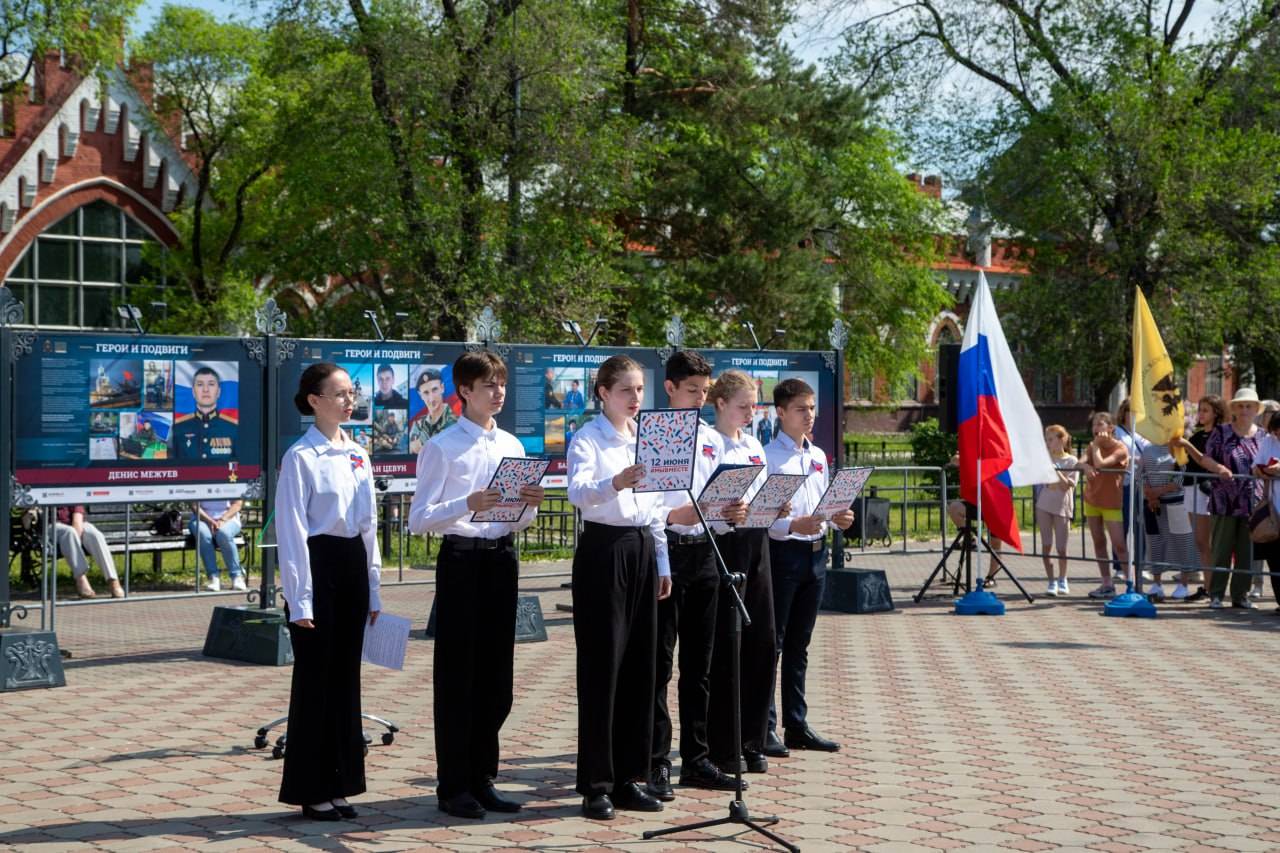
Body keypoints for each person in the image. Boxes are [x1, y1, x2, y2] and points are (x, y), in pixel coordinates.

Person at [408, 350, 545, 819]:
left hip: (502, 558)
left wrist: (530, 505)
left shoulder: (513, 444)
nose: (499, 392)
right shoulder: (443, 447)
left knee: (497, 679)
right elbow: (417, 520)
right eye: (488, 384)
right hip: (461, 562)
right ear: (464, 392)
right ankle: (454, 786)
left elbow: (519, 520)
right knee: (458, 677)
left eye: (502, 383)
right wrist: (466, 502)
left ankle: (484, 778)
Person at [567, 354, 673, 821]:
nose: (635, 398)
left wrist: (662, 561)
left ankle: (632, 776)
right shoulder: (588, 439)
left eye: (639, 390)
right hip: (604, 551)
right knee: (603, 667)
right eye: (626, 390)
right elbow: (578, 492)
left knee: (640, 667)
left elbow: (655, 506)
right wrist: (616, 481)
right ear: (603, 393)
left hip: (642, 547)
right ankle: (596, 784)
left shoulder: (645, 438)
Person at [275, 362, 382, 821]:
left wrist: (374, 588)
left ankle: (340, 784)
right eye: (337, 393)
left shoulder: (358, 453)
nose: (347, 400)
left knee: (345, 681)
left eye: (350, 392)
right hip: (317, 568)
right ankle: (310, 787)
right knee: (315, 681)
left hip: (352, 566)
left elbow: (369, 525)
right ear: (314, 401)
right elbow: (293, 530)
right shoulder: (300, 457)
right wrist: (300, 598)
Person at [647, 352, 741, 802]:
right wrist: (675, 514)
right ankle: (656, 762)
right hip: (664, 553)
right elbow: (646, 504)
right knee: (659, 666)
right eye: (692, 391)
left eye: (705, 393)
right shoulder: (655, 432)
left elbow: (714, 504)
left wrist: (730, 512)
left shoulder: (712, 439)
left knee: (699, 667)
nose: (701, 400)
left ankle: (698, 758)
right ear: (669, 388)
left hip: (705, 554)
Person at [764, 378, 854, 753]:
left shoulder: (816, 456)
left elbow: (823, 507)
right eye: (801, 409)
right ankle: (764, 726)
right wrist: (789, 525)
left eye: (812, 408)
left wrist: (839, 518)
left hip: (815, 557)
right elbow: (759, 515)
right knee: (774, 644)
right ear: (781, 412)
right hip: (782, 555)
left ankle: (796, 724)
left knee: (800, 645)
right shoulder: (767, 456)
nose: (809, 415)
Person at [705, 369, 782, 773]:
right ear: (720, 403)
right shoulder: (707, 442)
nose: (751, 412)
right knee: (726, 646)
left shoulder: (754, 444)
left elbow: (761, 490)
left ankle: (754, 739)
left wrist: (775, 505)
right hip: (723, 545)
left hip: (757, 543)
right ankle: (722, 745)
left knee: (763, 641)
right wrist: (725, 511)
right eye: (743, 405)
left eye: (754, 405)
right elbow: (702, 499)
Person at [1181, 387, 1262, 609]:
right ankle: (1216, 593)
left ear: (1256, 409)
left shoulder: (1262, 435)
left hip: (1252, 502)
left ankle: (1240, 595)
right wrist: (1219, 468)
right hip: (1224, 499)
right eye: (1240, 406)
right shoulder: (1222, 432)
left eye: (1249, 406)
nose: (1244, 410)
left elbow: (1269, 461)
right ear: (1233, 409)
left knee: (1247, 552)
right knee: (1221, 549)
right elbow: (1205, 459)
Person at [1179, 395, 1227, 600]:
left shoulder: (1221, 435)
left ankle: (1211, 587)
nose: (1201, 413)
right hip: (1191, 488)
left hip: (1207, 490)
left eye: (1206, 410)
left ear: (1216, 412)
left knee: (1206, 542)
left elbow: (1207, 461)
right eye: (1200, 409)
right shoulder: (1197, 436)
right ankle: (1207, 585)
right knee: (1199, 542)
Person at [1078, 411, 1129, 599]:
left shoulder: (1120, 448)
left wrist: (1097, 447)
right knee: (1099, 542)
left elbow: (1100, 464)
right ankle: (1107, 583)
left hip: (1111, 502)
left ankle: (1131, 584)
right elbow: (1080, 462)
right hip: (1092, 499)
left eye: (1100, 425)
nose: (1096, 429)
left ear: (1111, 428)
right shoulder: (1092, 446)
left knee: (1119, 545)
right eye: (1094, 425)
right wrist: (1085, 466)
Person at [1137, 442, 1198, 601]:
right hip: (1151, 504)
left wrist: (1157, 492)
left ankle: (1183, 584)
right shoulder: (1148, 448)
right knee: (1155, 542)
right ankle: (1157, 584)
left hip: (1176, 502)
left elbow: (1181, 477)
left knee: (1182, 541)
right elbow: (1140, 473)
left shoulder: (1180, 448)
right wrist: (1150, 494)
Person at [1036, 425, 1078, 596]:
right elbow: (1047, 483)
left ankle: (1063, 578)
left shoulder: (1072, 461)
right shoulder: (1045, 459)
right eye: (1047, 439)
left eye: (1051, 439)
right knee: (1046, 545)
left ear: (1062, 439)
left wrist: (1056, 471)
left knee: (1062, 548)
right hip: (1044, 505)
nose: (1048, 443)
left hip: (1062, 506)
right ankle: (1051, 581)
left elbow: (1068, 484)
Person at [1113, 398, 1149, 581]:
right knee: (1123, 524)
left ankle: (1140, 564)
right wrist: (1133, 461)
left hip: (1142, 484)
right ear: (1124, 413)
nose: (1134, 415)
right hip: (1125, 483)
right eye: (1130, 411)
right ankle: (1119, 565)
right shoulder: (1118, 432)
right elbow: (1115, 455)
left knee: (1140, 525)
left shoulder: (1144, 433)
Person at [54, 505, 123, 599]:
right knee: (69, 532)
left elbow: (77, 504)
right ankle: (81, 579)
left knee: (95, 535)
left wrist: (77, 518)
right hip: (52, 524)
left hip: (75, 521)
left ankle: (113, 580)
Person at [173, 366, 238, 460]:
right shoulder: (178, 428)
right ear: (193, 392)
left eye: (211, 384)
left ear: (219, 392)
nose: (205, 390)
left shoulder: (233, 429)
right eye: (200, 384)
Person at [1251, 410, 1280, 610]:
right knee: (1274, 558)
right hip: (1273, 509)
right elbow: (1254, 467)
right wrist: (1262, 470)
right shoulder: (1268, 442)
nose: (1277, 435)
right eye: (1275, 431)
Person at [190, 499, 246, 592]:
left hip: (229, 518)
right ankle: (213, 577)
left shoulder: (233, 484)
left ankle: (237, 576)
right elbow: (194, 505)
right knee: (203, 534)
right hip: (201, 519)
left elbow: (237, 504)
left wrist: (223, 519)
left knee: (224, 534)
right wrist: (210, 521)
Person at [408, 368, 457, 453]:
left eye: (434, 390)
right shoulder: (418, 424)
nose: (431, 398)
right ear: (421, 396)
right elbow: (409, 449)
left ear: (442, 388)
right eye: (426, 393)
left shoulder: (456, 423)